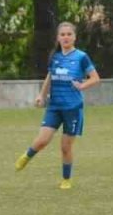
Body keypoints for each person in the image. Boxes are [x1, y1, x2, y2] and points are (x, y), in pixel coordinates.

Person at [15, 22, 101, 189]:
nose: (66, 37)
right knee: (42, 141)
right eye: (63, 34)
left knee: (65, 147)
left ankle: (66, 179)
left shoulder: (81, 57)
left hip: (73, 109)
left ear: (74, 37)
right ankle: (27, 156)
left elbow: (95, 78)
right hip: (54, 107)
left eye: (69, 34)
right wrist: (41, 95)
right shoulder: (55, 57)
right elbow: (50, 77)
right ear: (58, 38)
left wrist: (82, 86)